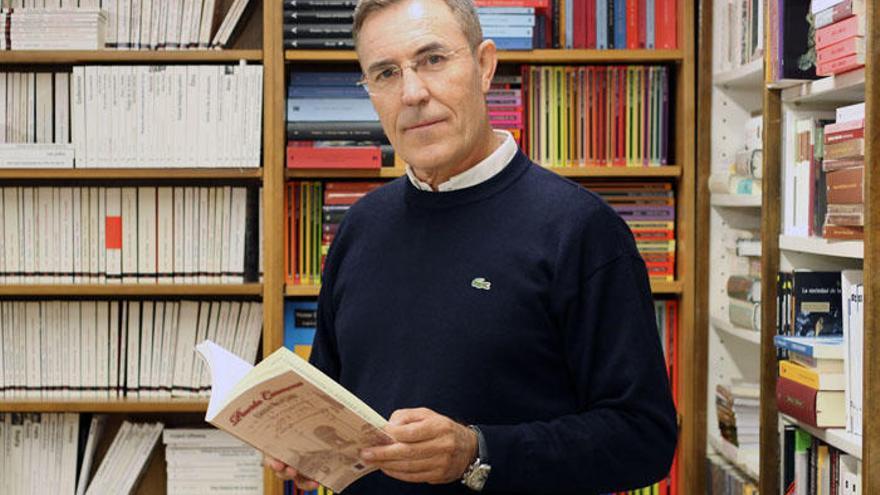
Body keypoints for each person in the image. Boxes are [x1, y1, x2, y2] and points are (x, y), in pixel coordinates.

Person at [266, 0, 678, 492]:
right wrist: (308, 448)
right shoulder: (360, 226)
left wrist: (477, 452)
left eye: (433, 60)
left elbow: (644, 439)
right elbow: (334, 402)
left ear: (484, 66)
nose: (413, 93)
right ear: (370, 92)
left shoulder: (582, 230)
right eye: (385, 73)